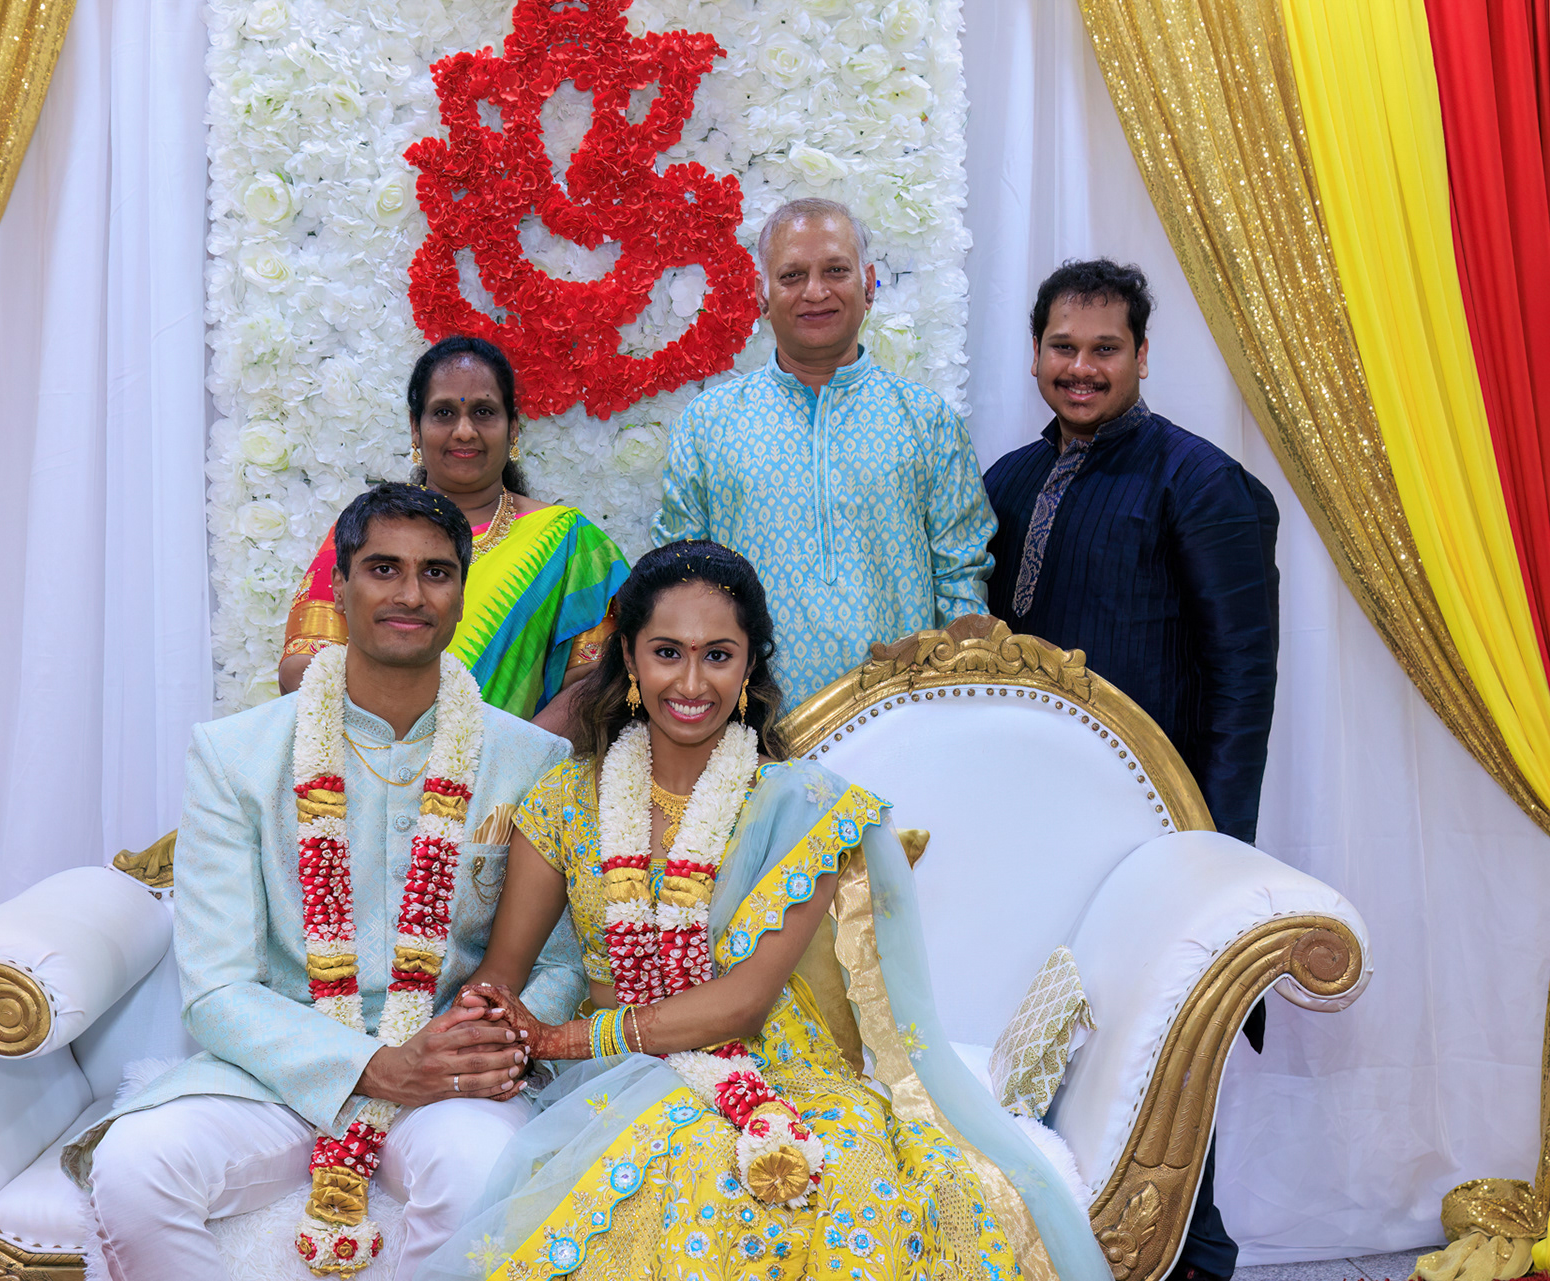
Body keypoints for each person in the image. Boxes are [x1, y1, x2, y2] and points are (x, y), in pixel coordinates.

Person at [417, 542, 1107, 1281]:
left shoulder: (801, 806)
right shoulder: (563, 802)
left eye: (717, 655)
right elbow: (502, 972)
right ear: (630, 658)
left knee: (831, 1188)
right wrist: (479, 1027)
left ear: (748, 666)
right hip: (611, 1075)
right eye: (667, 652)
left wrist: (560, 1037)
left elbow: (743, 1003)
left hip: (779, 1069)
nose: (691, 683)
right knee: (679, 1164)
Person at [64, 483, 583, 1280]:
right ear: (338, 588)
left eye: (436, 572)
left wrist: (481, 1042)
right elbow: (216, 987)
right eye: (383, 568)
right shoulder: (235, 755)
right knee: (137, 1166)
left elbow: (561, 964)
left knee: (483, 1172)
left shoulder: (532, 761)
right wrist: (372, 1064)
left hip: (447, 1078)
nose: (410, 594)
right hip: (278, 1072)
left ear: (459, 592)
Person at [982, 259, 1281, 1281]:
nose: (1082, 367)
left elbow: (1245, 680)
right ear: (1034, 355)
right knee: (1049, 1040)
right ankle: (1071, 1244)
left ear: (1143, 356)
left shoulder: (1200, 483)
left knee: (1162, 1038)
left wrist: (1215, 848)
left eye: (1105, 348)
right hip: (1042, 826)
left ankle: (1194, 1254)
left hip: (1162, 830)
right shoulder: (1009, 481)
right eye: (1063, 347)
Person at [652, 198, 997, 708]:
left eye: (835, 270)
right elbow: (679, 583)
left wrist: (954, 709)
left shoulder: (927, 420)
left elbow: (961, 581)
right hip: (749, 722)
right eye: (792, 275)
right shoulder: (710, 423)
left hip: (899, 717)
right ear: (762, 294)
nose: (815, 292)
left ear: (869, 284)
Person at [282, 335, 629, 732]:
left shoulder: (567, 540)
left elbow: (598, 681)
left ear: (513, 428)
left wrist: (512, 755)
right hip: (366, 756)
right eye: (444, 413)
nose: (464, 431)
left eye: (484, 412)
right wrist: (394, 746)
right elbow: (302, 665)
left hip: (512, 765)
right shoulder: (367, 529)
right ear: (416, 428)